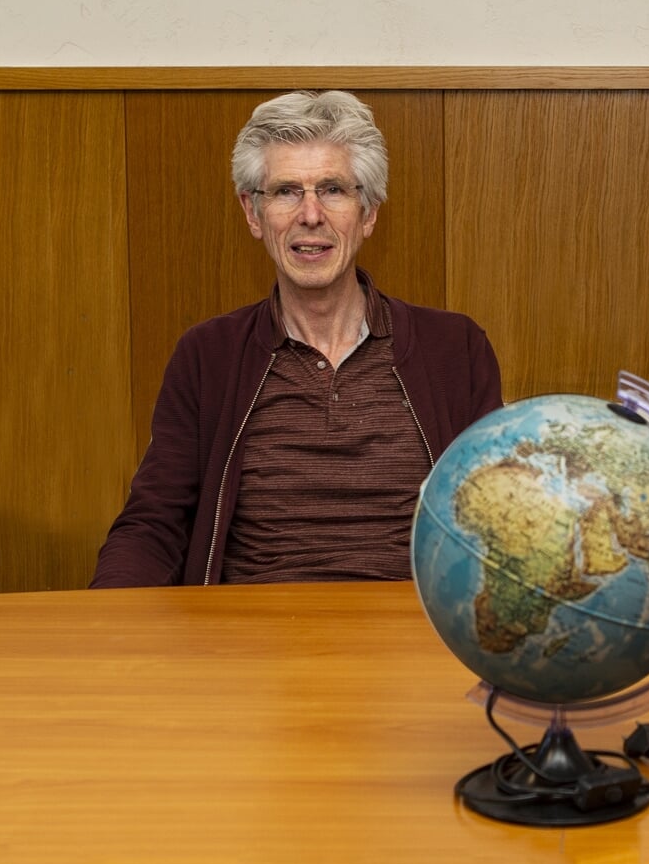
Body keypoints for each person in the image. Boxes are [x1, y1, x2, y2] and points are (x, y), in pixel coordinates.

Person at [92, 91, 502, 587]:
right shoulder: (208, 355)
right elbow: (154, 524)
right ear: (253, 212)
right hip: (248, 646)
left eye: (332, 189)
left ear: (367, 212)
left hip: (411, 641)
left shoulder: (455, 348)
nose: (311, 215)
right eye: (286, 191)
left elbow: (498, 519)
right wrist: (107, 628)